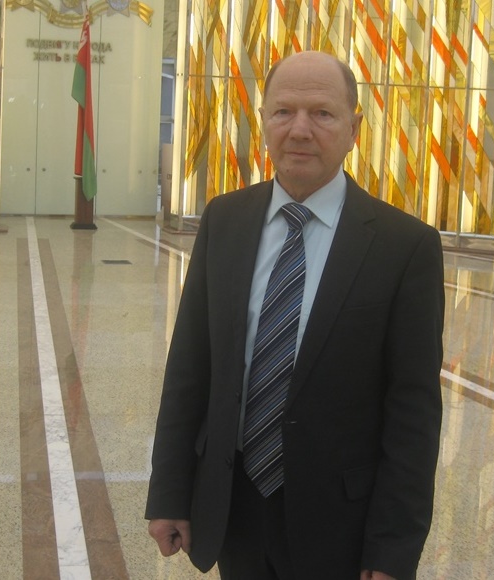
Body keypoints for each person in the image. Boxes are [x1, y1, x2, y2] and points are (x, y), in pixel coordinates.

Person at [145, 50, 445, 580]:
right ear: (264, 121)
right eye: (283, 112)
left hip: (340, 524)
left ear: (354, 129)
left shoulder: (404, 246)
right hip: (233, 507)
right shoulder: (225, 220)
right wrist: (170, 492)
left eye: (322, 113)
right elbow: (190, 368)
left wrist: (393, 549)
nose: (300, 130)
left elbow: (413, 414)